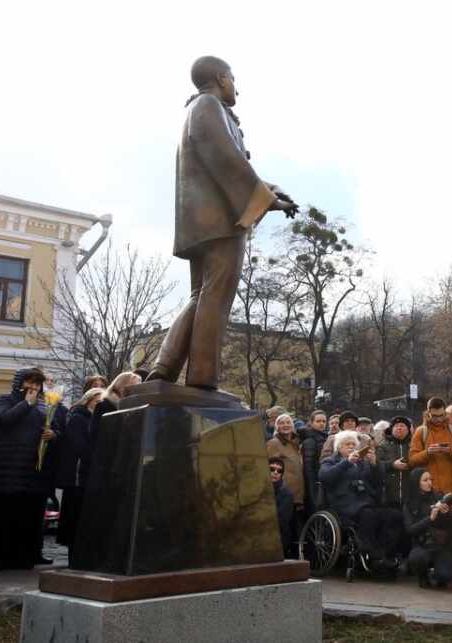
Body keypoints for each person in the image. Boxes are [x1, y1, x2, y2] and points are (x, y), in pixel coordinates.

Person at [146, 56, 295, 390]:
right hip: (221, 221)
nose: (236, 86)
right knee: (217, 296)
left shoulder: (199, 110)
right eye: (232, 78)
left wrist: (270, 192)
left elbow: (225, 165)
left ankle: (163, 368)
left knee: (200, 295)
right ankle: (202, 378)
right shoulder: (208, 106)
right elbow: (226, 160)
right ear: (219, 77)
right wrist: (265, 200)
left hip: (200, 221)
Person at [0, 368, 52, 570]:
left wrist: (52, 434)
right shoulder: (2, 400)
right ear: (20, 383)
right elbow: (5, 419)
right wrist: (26, 403)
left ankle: (22, 558)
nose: (34, 388)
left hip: (28, 472)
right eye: (30, 383)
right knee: (2, 518)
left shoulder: (41, 408)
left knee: (23, 518)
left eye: (37, 384)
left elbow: (44, 430)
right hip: (4, 471)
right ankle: (0, 558)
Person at [319, 431, 403, 569]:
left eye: (354, 444)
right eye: (348, 444)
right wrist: (346, 462)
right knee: (368, 514)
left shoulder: (362, 463)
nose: (351, 447)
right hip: (344, 505)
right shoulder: (330, 461)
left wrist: (375, 464)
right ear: (339, 447)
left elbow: (377, 482)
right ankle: (372, 555)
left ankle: (385, 552)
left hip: (365, 503)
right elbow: (325, 477)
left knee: (394, 516)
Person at [55, 387, 103, 564]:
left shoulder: (93, 419)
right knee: (74, 517)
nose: (99, 405)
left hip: (86, 475)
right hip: (76, 476)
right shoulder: (77, 418)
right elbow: (80, 446)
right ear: (88, 400)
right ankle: (73, 558)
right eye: (97, 401)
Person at [79, 371, 141, 492]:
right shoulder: (104, 406)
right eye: (135, 386)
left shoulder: (131, 407)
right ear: (123, 385)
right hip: (104, 467)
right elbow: (97, 437)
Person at [404, 468, 452, 588]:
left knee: (446, 576)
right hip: (422, 545)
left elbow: (451, 525)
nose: (429, 483)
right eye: (425, 480)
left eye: (430, 479)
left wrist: (446, 513)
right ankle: (423, 576)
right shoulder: (409, 503)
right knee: (417, 558)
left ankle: (439, 574)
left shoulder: (438, 496)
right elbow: (410, 529)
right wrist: (430, 518)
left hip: (440, 544)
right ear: (416, 482)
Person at [266, 414, 304, 556]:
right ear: (277, 427)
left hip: (297, 494)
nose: (286, 425)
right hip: (284, 493)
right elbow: (269, 466)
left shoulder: (294, 443)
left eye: (288, 422)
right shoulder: (274, 443)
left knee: (294, 530)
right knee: (284, 527)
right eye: (281, 423)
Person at [409, 398, 452, 494]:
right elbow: (412, 461)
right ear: (428, 412)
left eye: (441, 415)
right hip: (429, 491)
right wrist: (427, 452)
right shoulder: (421, 431)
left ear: (445, 413)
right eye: (434, 416)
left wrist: (450, 451)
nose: (438, 419)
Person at [376, 416, 413, 509]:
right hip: (388, 496)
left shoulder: (414, 445)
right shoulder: (383, 445)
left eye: (402, 426)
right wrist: (392, 465)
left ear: (408, 429)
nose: (399, 428)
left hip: (410, 495)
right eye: (396, 426)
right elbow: (376, 464)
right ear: (391, 429)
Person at [300, 410, 329, 516]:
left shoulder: (324, 437)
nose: (322, 423)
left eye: (324, 421)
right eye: (318, 421)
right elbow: (308, 469)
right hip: (316, 483)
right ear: (312, 423)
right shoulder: (310, 441)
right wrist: (312, 493)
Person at [269, 457, 294, 557]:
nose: (275, 472)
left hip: (277, 538)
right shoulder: (257, 487)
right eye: (271, 469)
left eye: (279, 471)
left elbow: (282, 520)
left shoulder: (286, 494)